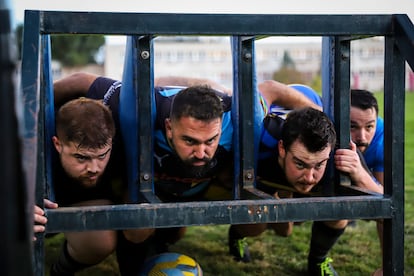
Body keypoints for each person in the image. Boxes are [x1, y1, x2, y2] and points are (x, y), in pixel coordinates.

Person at [51, 72, 320, 275]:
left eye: (211, 141)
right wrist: (33, 106)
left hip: (193, 189)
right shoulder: (141, 107)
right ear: (169, 127)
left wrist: (326, 119)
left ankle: (160, 246)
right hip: (143, 188)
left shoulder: (238, 116)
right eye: (190, 141)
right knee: (138, 225)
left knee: (234, 225)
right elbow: (80, 80)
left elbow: (269, 88)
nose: (202, 152)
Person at [34, 97, 119, 276]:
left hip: (84, 200)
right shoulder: (27, 141)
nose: (94, 168)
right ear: (57, 144)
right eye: (81, 157)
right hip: (37, 202)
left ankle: (61, 270)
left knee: (100, 240)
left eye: (102, 156)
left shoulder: (122, 143)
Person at [335, 89, 384, 276]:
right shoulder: (328, 126)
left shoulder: (382, 140)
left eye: (369, 127)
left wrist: (387, 265)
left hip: (364, 171)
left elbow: (386, 200)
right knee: (286, 230)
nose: (362, 137)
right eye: (352, 127)